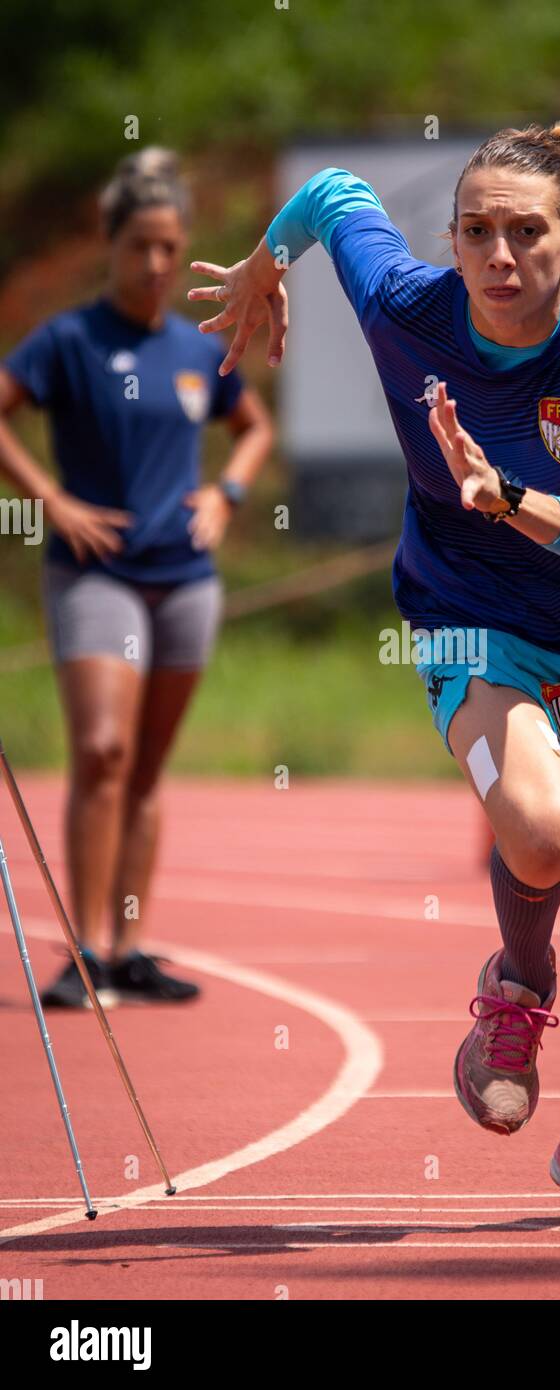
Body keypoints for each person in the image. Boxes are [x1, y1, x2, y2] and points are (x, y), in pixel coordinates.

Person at [189, 80, 560, 1224]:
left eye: (525, 233)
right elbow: (327, 192)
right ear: (450, 237)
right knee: (540, 826)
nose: (498, 254)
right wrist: (267, 263)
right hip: (468, 622)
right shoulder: (407, 304)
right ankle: (516, 986)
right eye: (476, 230)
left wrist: (503, 493)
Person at [0, 147, 274, 1007]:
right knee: (102, 751)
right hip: (96, 578)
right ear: (110, 247)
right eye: (140, 247)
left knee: (148, 767)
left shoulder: (195, 350)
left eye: (170, 247)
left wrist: (226, 495)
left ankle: (127, 946)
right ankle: (83, 950)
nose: (155, 264)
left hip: (185, 578)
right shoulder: (69, 340)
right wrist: (50, 499)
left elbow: (254, 427)